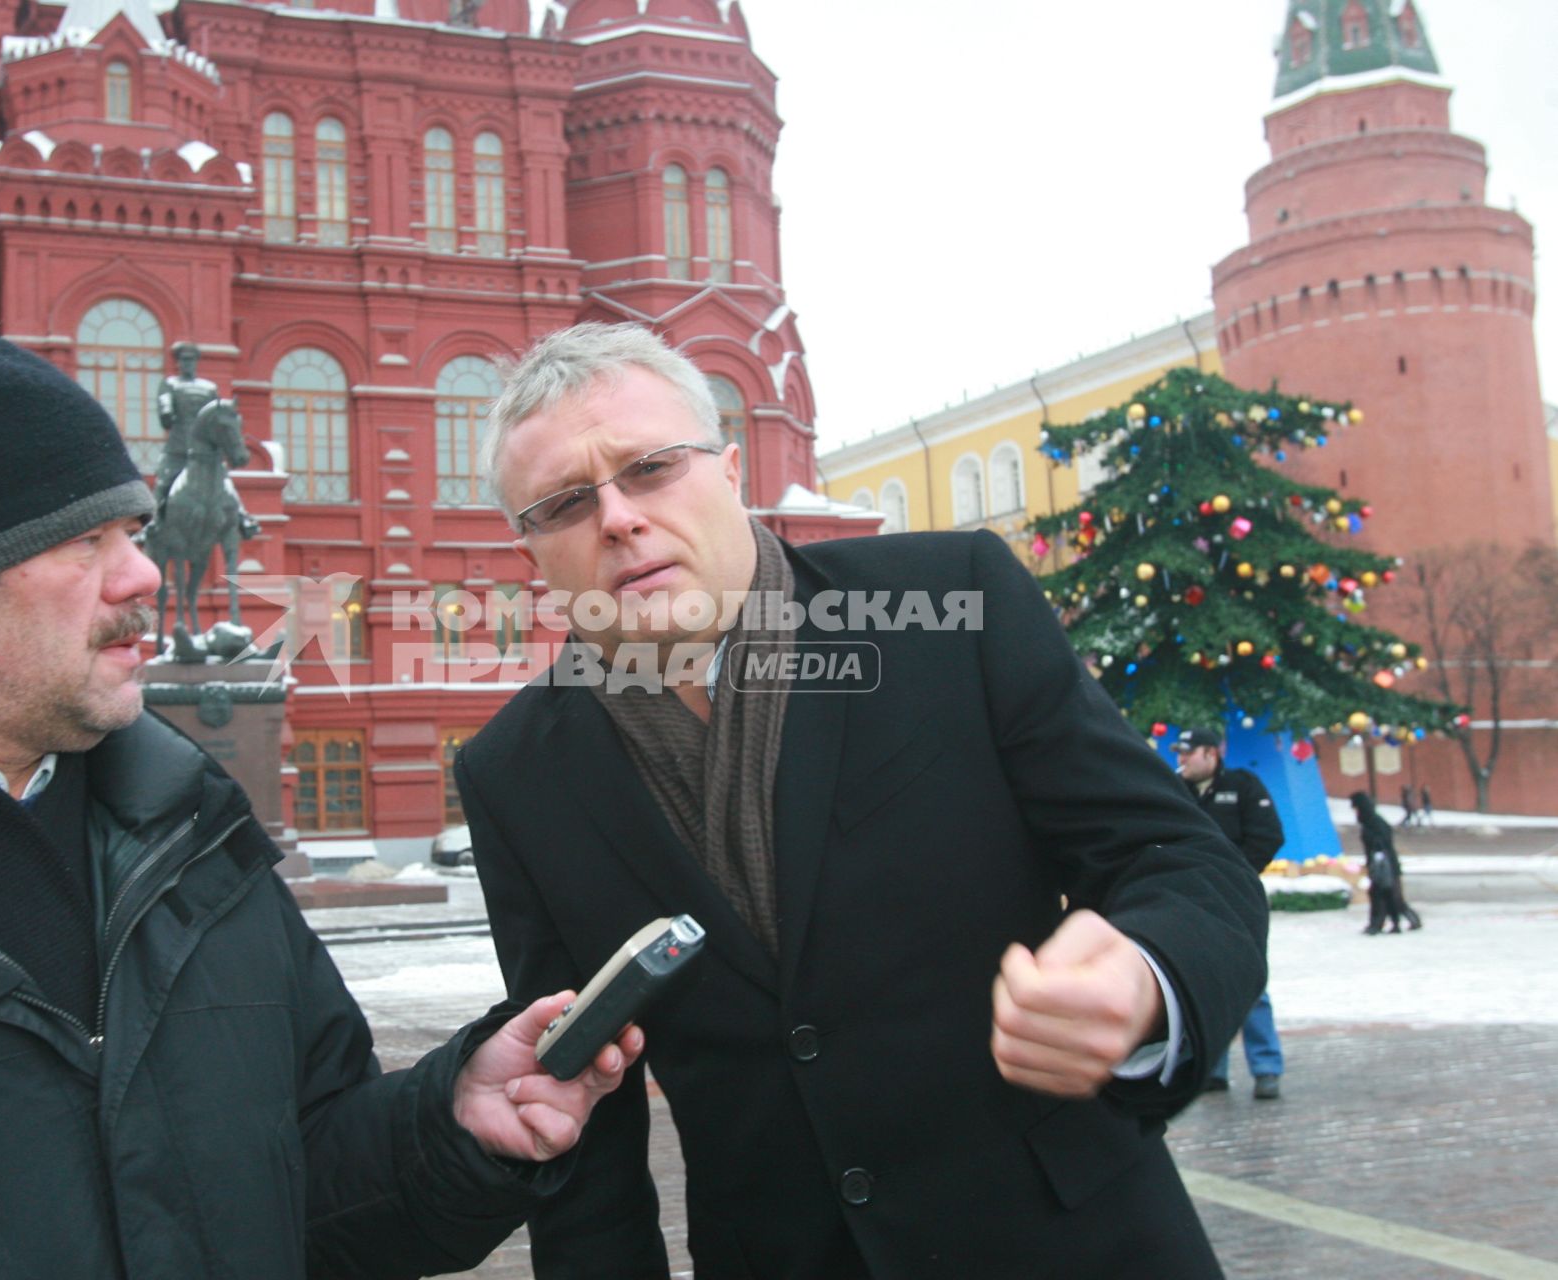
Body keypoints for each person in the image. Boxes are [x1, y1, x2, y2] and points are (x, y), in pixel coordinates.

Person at [0, 328, 639, 1279]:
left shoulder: (198, 838)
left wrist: (453, 1123)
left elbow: (308, 1184)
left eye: (131, 528)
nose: (147, 574)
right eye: (83, 542)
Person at [455, 322, 1268, 1279]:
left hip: (1069, 1239)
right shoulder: (514, 772)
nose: (619, 518)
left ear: (728, 469)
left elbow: (1176, 860)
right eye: (563, 502)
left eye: (649, 468)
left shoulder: (949, 605)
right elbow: (575, 1088)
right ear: (528, 555)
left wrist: (1143, 976)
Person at [1173, 726, 1286, 1101]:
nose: (1182, 760)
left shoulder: (1243, 785)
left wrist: (1233, 876)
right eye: (1180, 753)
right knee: (1203, 982)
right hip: (1192, 901)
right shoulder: (1174, 791)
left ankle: (1266, 1068)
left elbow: (1268, 836)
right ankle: (1212, 1069)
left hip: (1236, 900)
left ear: (1211, 754)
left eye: (1189, 753)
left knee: (1251, 983)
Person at [155, 340, 258, 539]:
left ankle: (243, 518)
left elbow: (219, 418)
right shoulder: (170, 384)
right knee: (164, 483)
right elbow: (165, 412)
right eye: (184, 360)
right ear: (178, 363)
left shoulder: (209, 388)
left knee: (225, 483)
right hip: (178, 448)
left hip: (204, 453)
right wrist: (166, 411)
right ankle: (152, 524)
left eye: (192, 360)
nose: (188, 364)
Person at [1350, 790, 1423, 934]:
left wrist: (1375, 857)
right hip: (1384, 866)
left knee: (1387, 896)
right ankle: (1384, 923)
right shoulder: (1373, 821)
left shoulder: (1373, 823)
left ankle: (1381, 924)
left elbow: (1381, 844)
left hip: (1385, 867)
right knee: (1386, 896)